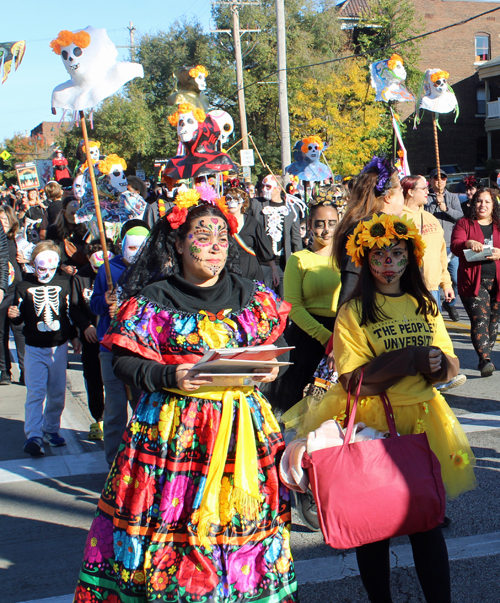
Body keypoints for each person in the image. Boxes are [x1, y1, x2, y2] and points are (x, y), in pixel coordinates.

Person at [74, 197, 297, 602]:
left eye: (222, 238)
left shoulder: (254, 296)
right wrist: (167, 374)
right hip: (174, 431)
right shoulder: (154, 298)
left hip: (242, 430)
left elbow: (278, 350)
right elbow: (123, 362)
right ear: (178, 243)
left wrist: (271, 369)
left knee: (241, 526)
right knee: (175, 526)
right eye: (203, 236)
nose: (215, 246)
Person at [284, 214, 476, 603]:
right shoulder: (353, 313)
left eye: (397, 253)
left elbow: (451, 364)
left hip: (425, 419)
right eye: (379, 255)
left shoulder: (423, 304)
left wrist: (440, 363)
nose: (388, 262)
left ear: (410, 258)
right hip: (374, 423)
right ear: (366, 261)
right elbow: (354, 381)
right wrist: (408, 360)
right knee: (373, 523)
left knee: (426, 523)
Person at [8, 241, 82, 456]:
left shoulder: (65, 283)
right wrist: (15, 316)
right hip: (33, 347)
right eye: (41, 268)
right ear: (33, 264)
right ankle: (33, 435)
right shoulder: (24, 286)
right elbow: (19, 315)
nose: (46, 273)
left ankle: (51, 429)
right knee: (36, 392)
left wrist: (74, 337)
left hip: (58, 347)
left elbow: (69, 313)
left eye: (51, 268)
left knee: (57, 392)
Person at [90, 219, 148, 466]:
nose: (135, 253)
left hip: (140, 349)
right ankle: (113, 463)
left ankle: (139, 461)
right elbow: (94, 305)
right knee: (114, 410)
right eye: (131, 247)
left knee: (142, 407)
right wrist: (105, 301)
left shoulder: (154, 271)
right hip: (110, 348)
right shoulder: (107, 269)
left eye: (141, 247)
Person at [402, 175, 467, 393]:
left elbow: (441, 253)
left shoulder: (429, 218)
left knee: (431, 334)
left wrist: (445, 283)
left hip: (431, 288)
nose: (427, 191)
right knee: (416, 336)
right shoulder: (397, 218)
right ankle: (422, 379)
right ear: (410, 191)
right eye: (423, 188)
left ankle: (436, 377)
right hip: (406, 288)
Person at [278, 201, 340, 411]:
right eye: (320, 223)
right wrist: (325, 337)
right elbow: (293, 306)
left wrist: (338, 338)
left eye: (332, 223)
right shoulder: (298, 259)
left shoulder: (350, 259)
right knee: (295, 403)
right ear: (310, 225)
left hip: (343, 333)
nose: (326, 229)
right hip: (307, 335)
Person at [333, 157, 405, 310]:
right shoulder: (367, 230)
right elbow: (351, 282)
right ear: (388, 196)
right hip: (376, 317)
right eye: (401, 190)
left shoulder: (393, 227)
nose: (403, 196)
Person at [450, 188, 500, 377]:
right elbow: (455, 245)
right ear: (473, 203)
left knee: (493, 323)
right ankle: (485, 360)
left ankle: (484, 354)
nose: (483, 205)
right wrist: (468, 243)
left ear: (493, 204)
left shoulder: (498, 224)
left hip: (497, 282)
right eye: (479, 201)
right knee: (480, 319)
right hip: (474, 281)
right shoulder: (464, 224)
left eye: (487, 202)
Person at [70, 239, 115, 440]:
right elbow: (74, 306)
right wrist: (84, 327)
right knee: (93, 379)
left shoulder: (116, 274)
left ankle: (117, 420)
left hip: (113, 338)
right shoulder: (80, 278)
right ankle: (99, 419)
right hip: (91, 339)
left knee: (115, 382)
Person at [249, 174, 302, 297]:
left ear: (278, 188)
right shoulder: (257, 204)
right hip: (262, 264)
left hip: (283, 264)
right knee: (265, 301)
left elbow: (295, 238)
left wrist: (299, 264)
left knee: (285, 300)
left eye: (268, 186)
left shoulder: (291, 207)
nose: (264, 189)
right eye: (263, 186)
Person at [425, 168, 463, 322]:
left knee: (455, 278)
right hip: (432, 246)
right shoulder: (426, 198)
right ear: (431, 181)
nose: (439, 181)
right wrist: (436, 204)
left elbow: (460, 217)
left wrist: (445, 209)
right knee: (434, 278)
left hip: (450, 246)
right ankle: (434, 311)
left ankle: (450, 303)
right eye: (436, 178)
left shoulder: (453, 197)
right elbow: (425, 216)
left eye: (443, 178)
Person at [224, 186, 277, 282]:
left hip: (251, 270)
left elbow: (264, 246)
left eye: (236, 199)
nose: (232, 202)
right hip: (228, 271)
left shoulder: (252, 223)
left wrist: (274, 270)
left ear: (242, 203)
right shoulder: (221, 223)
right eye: (228, 198)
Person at [0, 206, 26, 385]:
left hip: (16, 291)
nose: (3, 223)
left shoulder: (19, 242)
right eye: (0, 220)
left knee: (19, 332)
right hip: (2, 292)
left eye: (6, 220)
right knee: (1, 333)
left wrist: (26, 261)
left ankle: (26, 370)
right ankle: (4, 370)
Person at [46, 196, 88, 277]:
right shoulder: (54, 230)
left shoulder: (84, 230)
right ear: (63, 212)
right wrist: (62, 266)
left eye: (78, 213)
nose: (75, 216)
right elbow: (49, 252)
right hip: (62, 273)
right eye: (72, 213)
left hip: (81, 273)